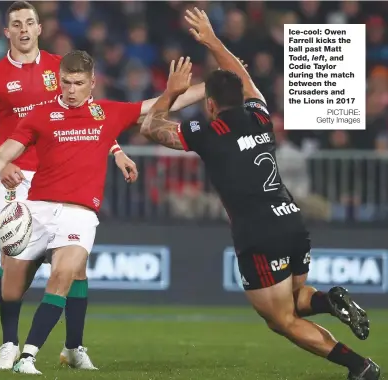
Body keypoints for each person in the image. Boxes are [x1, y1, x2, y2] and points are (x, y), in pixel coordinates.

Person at [139, 8, 380, 380]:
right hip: (291, 221)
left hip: (258, 235)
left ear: (211, 104)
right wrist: (213, 40)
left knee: (281, 320)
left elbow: (150, 129)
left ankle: (359, 366)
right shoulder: (260, 115)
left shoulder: (209, 132)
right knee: (297, 302)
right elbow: (245, 77)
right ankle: (329, 301)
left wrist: (171, 93)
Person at [0, 49, 205, 374]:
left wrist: (208, 85)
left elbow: (162, 105)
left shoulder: (108, 113)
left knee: (64, 274)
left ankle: (29, 356)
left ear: (92, 83)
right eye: (65, 82)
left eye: (78, 83)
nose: (70, 89)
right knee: (11, 288)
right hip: (36, 209)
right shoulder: (39, 116)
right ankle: (18, 343)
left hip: (78, 214)